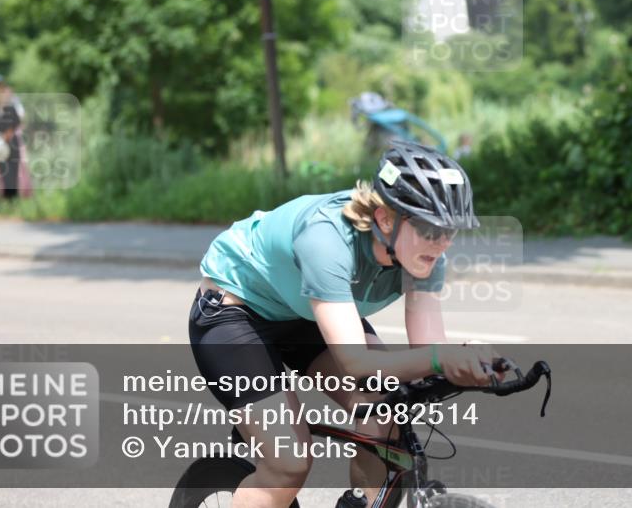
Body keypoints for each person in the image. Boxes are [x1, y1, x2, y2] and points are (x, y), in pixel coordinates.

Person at [189, 141, 498, 508]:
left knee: (388, 404)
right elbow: (356, 365)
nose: (443, 243)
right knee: (288, 463)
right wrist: (439, 358)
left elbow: (428, 351)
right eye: (431, 229)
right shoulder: (326, 241)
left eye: (450, 231)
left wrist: (467, 364)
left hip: (303, 309)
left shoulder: (426, 256)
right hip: (236, 311)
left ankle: (360, 502)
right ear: (385, 218)